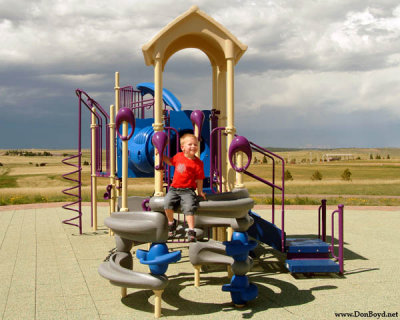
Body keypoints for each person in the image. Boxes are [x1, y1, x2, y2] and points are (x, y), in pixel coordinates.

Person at [156, 133, 206, 242]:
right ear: (183, 147)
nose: (193, 146)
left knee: (189, 208)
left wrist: (200, 191)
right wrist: (161, 155)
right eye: (190, 144)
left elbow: (200, 179)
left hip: (188, 190)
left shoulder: (198, 163)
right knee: (167, 204)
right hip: (174, 188)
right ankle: (171, 223)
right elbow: (170, 161)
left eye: (195, 144)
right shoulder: (178, 156)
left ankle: (191, 231)